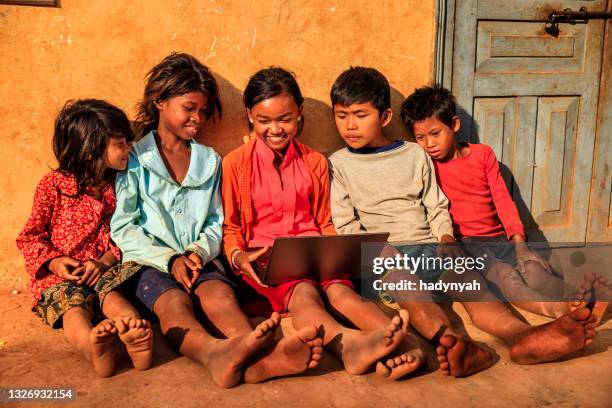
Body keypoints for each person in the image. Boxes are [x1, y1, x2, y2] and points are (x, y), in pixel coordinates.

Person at [328, 67, 598, 377]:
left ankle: (521, 336)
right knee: (409, 290)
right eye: (341, 115)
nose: (350, 125)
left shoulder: (414, 155)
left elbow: (437, 206)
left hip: (431, 247)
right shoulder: (339, 164)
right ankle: (454, 343)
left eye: (360, 115)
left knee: (473, 288)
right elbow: (345, 224)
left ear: (385, 117)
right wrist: (379, 249)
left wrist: (445, 239)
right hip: (384, 256)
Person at [109, 53, 322, 388]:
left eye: (203, 110)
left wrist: (196, 253)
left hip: (200, 259)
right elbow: (124, 227)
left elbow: (215, 221)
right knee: (174, 305)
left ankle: (253, 348)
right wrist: (169, 259)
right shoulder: (135, 158)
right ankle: (214, 354)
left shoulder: (208, 161)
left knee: (219, 297)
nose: (198, 118)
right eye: (189, 108)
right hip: (150, 264)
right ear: (159, 101)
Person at [222, 67, 419, 380]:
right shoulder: (236, 164)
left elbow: (324, 221)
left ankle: (400, 343)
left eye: (284, 119)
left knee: (342, 292)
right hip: (268, 259)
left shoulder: (314, 162)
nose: (275, 129)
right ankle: (349, 346)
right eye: (264, 121)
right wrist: (237, 255)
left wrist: (336, 252)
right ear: (249, 115)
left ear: (299, 113)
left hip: (315, 251)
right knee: (304, 294)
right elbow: (231, 227)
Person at [400, 84, 609, 323]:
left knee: (534, 271)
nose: (429, 144)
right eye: (420, 138)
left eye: (435, 133)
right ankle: (563, 311)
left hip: (499, 240)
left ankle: (585, 299)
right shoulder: (427, 166)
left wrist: (520, 245)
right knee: (508, 276)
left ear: (454, 125)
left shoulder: (482, 155)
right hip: (467, 246)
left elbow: (503, 200)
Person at [16, 99, 153, 378]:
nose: (129, 148)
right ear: (92, 150)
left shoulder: (122, 184)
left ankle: (134, 332)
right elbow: (30, 237)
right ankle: (93, 346)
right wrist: (54, 263)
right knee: (71, 309)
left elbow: (128, 230)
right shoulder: (52, 187)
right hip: (63, 277)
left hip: (106, 268)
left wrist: (105, 261)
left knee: (113, 295)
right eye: (121, 143)